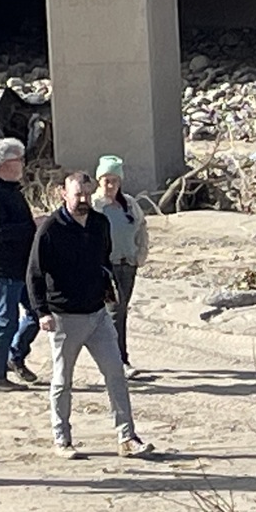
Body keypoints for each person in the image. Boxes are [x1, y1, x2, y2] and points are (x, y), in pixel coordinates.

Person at [27, 171, 155, 460]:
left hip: (97, 314)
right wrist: (41, 312)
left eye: (87, 194)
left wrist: (107, 288)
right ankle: (62, 439)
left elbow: (103, 259)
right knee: (63, 381)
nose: (83, 199)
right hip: (64, 317)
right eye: (77, 194)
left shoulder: (99, 222)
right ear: (64, 194)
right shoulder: (50, 229)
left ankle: (127, 437)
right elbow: (34, 273)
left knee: (116, 373)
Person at [0, 137, 39, 392]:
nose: (23, 164)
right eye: (18, 160)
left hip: (22, 266)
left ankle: (15, 355)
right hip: (1, 268)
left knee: (37, 313)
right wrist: (31, 227)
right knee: (6, 321)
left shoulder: (11, 188)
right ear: (3, 164)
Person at [91, 155, 149, 380]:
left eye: (115, 180)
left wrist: (140, 254)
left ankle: (114, 358)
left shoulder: (129, 204)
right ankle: (119, 361)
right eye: (106, 180)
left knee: (120, 312)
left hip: (128, 265)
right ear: (99, 180)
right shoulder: (94, 206)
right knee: (114, 312)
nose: (110, 185)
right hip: (107, 267)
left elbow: (141, 227)